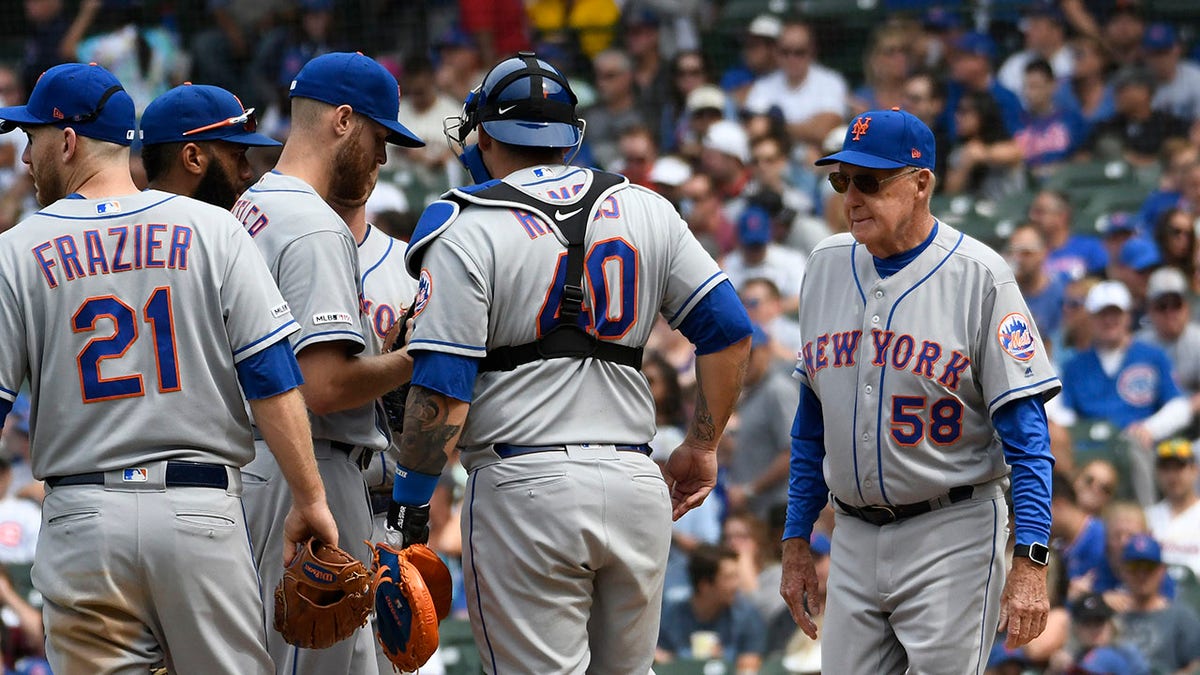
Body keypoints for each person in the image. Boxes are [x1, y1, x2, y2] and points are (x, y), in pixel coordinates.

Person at [394, 52, 752, 673]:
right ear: (571, 137)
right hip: (636, 485)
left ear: (483, 132)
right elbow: (729, 332)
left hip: (524, 487)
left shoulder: (463, 222)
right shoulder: (646, 206)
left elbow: (444, 392)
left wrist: (412, 506)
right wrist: (702, 442)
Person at [0, 61, 337, 674]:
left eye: (33, 139)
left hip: (83, 520)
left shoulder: (15, 251)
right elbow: (271, 375)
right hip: (198, 511)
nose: (25, 157)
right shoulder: (214, 227)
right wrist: (310, 497)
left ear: (69, 141)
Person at [781, 108, 1061, 673]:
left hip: (952, 532)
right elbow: (812, 423)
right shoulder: (825, 264)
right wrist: (795, 540)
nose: (851, 197)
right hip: (853, 535)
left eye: (869, 181)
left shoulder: (980, 276)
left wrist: (1030, 559)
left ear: (921, 183)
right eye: (842, 181)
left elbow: (1028, 437)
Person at [229, 51, 423, 675]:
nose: (384, 158)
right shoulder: (314, 225)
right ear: (343, 121)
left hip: (259, 463)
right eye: (379, 136)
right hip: (305, 469)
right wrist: (417, 356)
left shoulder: (252, 204)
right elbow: (328, 386)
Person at [1050, 280, 1191, 505]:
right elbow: (1063, 413)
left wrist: (1150, 428)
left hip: (1134, 443)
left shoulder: (1152, 356)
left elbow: (1179, 406)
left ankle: (1148, 518)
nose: (1109, 320)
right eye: (1102, 314)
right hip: (1090, 447)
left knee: (1136, 449)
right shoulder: (1075, 364)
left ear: (1128, 315)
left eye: (1115, 313)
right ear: (1091, 318)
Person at [140, 83, 281, 209]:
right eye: (237, 156)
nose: (247, 173)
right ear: (192, 158)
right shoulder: (223, 231)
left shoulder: (120, 225)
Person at [656, 543, 768, 672]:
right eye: (729, 578)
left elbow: (749, 667)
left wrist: (722, 665)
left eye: (736, 576)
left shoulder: (747, 616)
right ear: (705, 586)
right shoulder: (671, 615)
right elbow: (659, 659)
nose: (736, 585)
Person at [1114, 534, 1200, 673]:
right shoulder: (1112, 614)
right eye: (1134, 567)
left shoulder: (1181, 617)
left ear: (1161, 570)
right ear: (1123, 570)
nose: (1142, 575)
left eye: (1149, 567)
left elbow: (1196, 665)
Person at [1145, 439, 1200, 577]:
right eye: (1166, 468)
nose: (1172, 476)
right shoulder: (1147, 517)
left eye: (1179, 467)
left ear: (1195, 470)